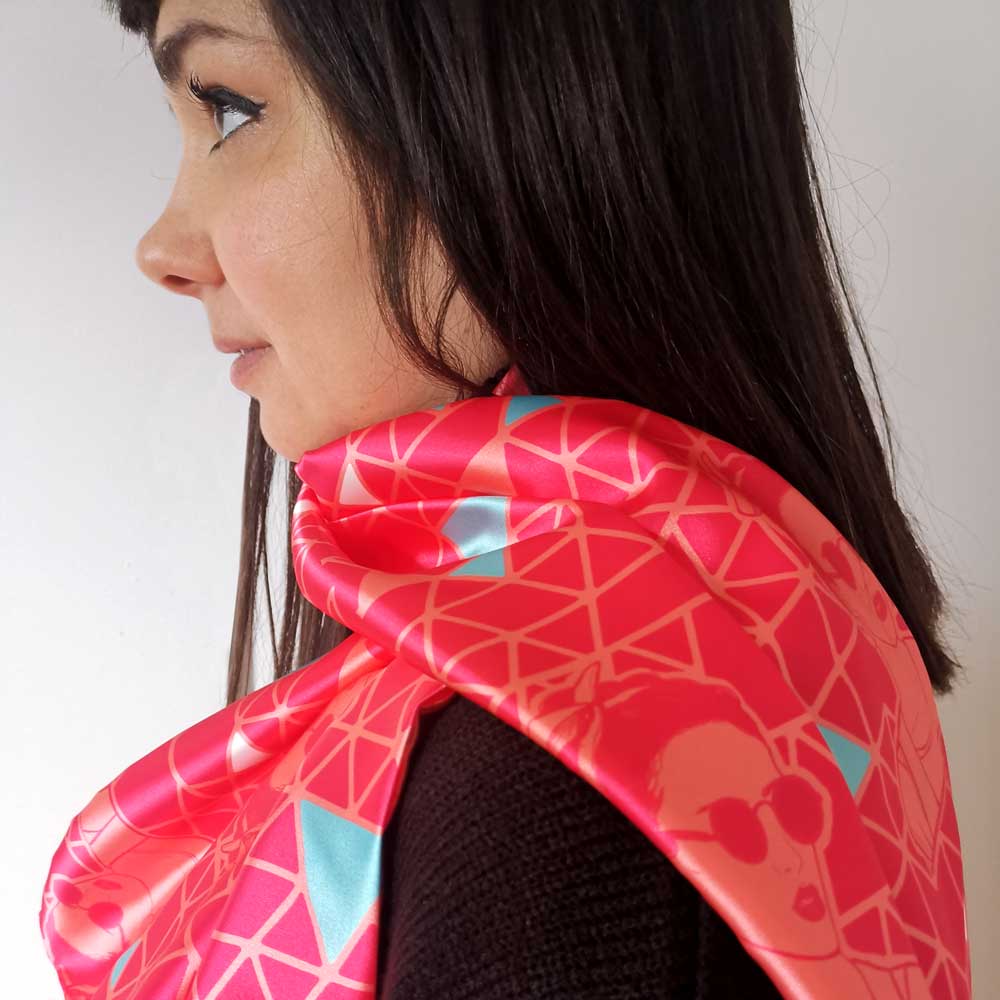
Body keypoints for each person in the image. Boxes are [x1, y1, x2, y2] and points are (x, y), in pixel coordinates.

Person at [39, 1, 970, 997]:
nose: (164, 248)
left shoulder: (567, 819)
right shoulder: (768, 648)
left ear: (522, 108)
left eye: (230, 110)